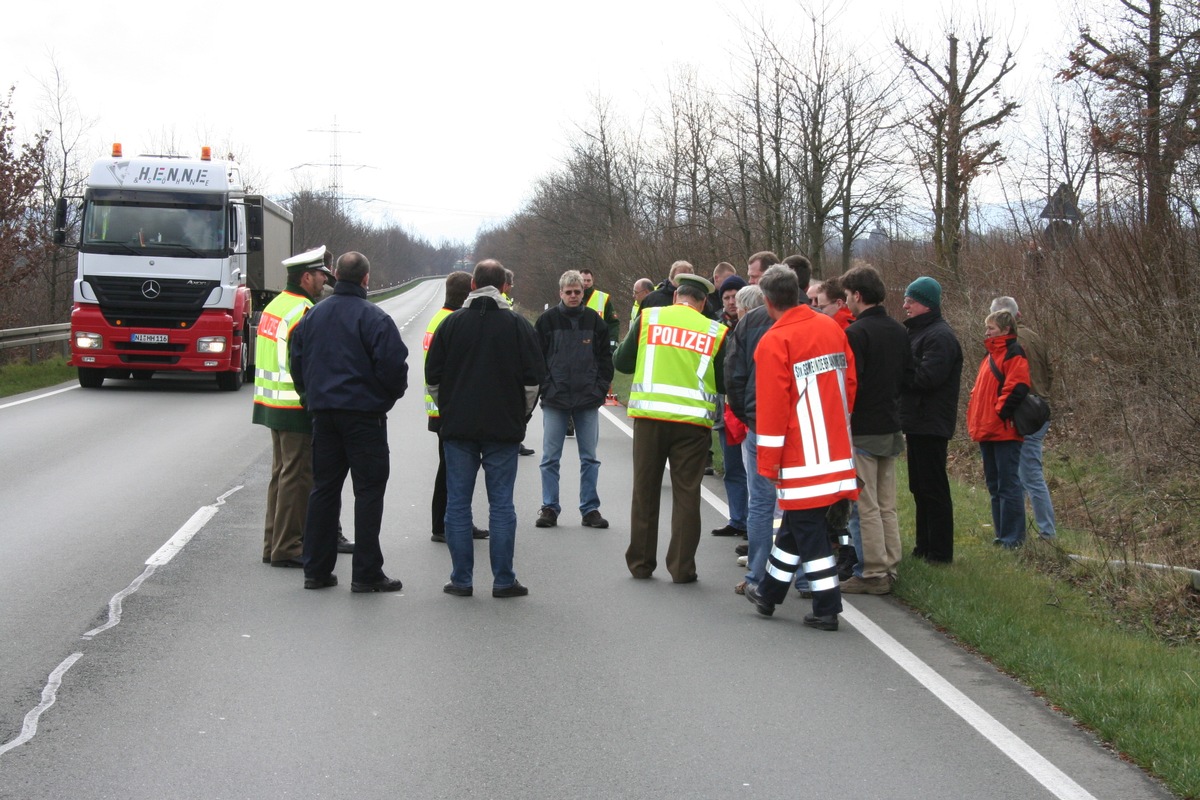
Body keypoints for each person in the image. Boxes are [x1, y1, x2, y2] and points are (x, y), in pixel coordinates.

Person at [742, 264, 857, 630]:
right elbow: (850, 384)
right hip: (835, 446)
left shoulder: (774, 342)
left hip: (801, 455)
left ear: (766, 300)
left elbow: (772, 411)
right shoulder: (831, 327)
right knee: (795, 525)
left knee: (808, 531)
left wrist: (768, 463)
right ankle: (769, 593)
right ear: (798, 291)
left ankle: (827, 607)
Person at [426, 259, 545, 598]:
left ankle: (461, 580)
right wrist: (519, 415)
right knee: (502, 506)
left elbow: (433, 377)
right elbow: (533, 381)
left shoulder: (451, 325)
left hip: (458, 427)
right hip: (503, 428)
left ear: (474, 284)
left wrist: (448, 408)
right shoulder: (519, 326)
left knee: (458, 505)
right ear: (503, 286)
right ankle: (503, 580)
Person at [291, 252, 409, 592]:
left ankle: (316, 570)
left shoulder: (312, 316)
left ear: (334, 276)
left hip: (324, 416)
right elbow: (394, 370)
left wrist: (310, 398)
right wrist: (383, 400)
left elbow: (296, 362)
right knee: (369, 492)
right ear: (366, 279)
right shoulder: (375, 319)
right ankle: (366, 572)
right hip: (364, 418)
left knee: (324, 490)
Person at [614, 272, 727, 583]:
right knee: (687, 494)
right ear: (703, 303)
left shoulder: (649, 318)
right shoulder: (715, 331)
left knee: (645, 491)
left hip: (650, 419)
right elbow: (725, 379)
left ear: (676, 296)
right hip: (692, 426)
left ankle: (640, 564)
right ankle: (681, 568)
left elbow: (621, 363)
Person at [728, 252, 814, 597]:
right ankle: (807, 577)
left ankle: (758, 575)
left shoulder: (750, 323)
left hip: (761, 423)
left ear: (766, 296)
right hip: (803, 424)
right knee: (803, 500)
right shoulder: (817, 322)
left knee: (762, 501)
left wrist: (746, 412)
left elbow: (733, 374)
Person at [252, 245, 338, 568]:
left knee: (281, 475)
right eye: (320, 276)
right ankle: (288, 547)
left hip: (271, 401)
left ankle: (272, 542)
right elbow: (306, 363)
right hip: (293, 404)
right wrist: (312, 401)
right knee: (298, 476)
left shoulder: (276, 306)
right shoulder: (303, 310)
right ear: (306, 277)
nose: (324, 282)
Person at [839, 265, 912, 594]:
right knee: (886, 503)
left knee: (864, 503)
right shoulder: (899, 331)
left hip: (863, 428)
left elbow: (852, 385)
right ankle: (890, 564)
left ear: (857, 295)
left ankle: (871, 572)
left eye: (847, 296)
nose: (846, 302)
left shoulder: (856, 334)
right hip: (891, 424)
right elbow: (908, 379)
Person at [534, 270, 614, 530]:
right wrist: (546, 388)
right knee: (549, 458)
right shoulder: (546, 321)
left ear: (583, 293)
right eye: (568, 292)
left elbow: (605, 359)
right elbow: (537, 359)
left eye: (577, 292)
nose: (572, 296)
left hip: (587, 399)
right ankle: (549, 507)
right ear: (560, 293)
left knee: (589, 458)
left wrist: (599, 390)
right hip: (555, 399)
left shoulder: (594, 321)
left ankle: (590, 509)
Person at [901, 276, 963, 564]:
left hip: (931, 423)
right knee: (919, 487)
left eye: (910, 301)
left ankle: (940, 552)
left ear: (925, 303)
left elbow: (928, 378)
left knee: (934, 488)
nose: (905, 306)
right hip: (917, 421)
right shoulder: (919, 333)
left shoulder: (940, 336)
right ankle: (923, 545)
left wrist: (901, 367)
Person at [424, 271, 489, 544]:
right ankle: (444, 524)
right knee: (453, 470)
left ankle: (449, 522)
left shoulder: (439, 318)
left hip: (440, 407)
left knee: (450, 468)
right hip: (448, 408)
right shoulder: (452, 321)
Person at [990, 296, 1056, 540]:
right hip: (1039, 408)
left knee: (1029, 474)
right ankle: (1021, 530)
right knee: (1020, 474)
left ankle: (1047, 533)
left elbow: (1013, 382)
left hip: (1025, 413)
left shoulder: (1013, 343)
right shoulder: (1035, 336)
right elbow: (1049, 371)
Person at [967, 309, 1032, 548]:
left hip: (1004, 430)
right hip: (988, 429)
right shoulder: (990, 354)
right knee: (995, 486)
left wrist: (998, 413)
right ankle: (1002, 534)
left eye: (991, 328)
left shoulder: (1014, 352)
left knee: (1008, 484)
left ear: (1005, 330)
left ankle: (1013, 539)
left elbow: (1018, 387)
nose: (986, 332)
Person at [711, 273, 749, 538]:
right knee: (732, 466)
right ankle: (737, 519)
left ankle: (754, 523)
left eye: (735, 296)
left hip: (748, 406)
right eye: (726, 297)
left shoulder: (755, 323)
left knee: (753, 469)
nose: (731, 301)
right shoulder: (714, 326)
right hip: (724, 406)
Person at [580, 268, 620, 351]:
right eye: (583, 280)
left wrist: (612, 344)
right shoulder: (571, 297)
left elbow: (613, 323)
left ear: (593, 280)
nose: (586, 283)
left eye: (588, 280)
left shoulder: (603, 298)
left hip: (598, 346)